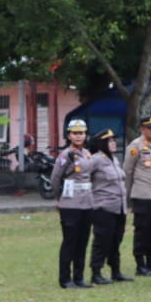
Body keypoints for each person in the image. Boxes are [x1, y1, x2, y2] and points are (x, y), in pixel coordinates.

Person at [49, 118, 96, 288]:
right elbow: (55, 178)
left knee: (83, 242)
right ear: (69, 135)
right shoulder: (65, 155)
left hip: (87, 203)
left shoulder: (86, 153)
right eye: (75, 133)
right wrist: (59, 197)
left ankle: (79, 277)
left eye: (81, 133)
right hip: (70, 204)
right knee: (70, 241)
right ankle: (65, 279)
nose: (78, 136)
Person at [123, 116, 151, 276]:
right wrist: (128, 197)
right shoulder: (135, 146)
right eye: (149, 127)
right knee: (143, 230)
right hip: (142, 193)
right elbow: (128, 171)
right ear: (142, 129)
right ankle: (140, 264)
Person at [88, 128, 130, 283]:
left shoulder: (114, 159)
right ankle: (96, 272)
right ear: (101, 144)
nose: (113, 143)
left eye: (113, 140)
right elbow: (85, 177)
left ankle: (116, 271)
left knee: (116, 240)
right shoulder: (95, 160)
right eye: (109, 141)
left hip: (119, 207)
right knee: (102, 240)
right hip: (103, 207)